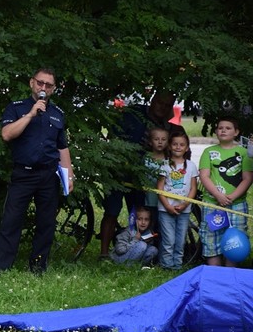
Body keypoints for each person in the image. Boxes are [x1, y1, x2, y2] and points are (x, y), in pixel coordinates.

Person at [0, 68, 74, 274]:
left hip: (48, 175)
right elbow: (7, 135)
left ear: (53, 89)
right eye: (40, 83)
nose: (43, 88)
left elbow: (62, 146)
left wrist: (69, 174)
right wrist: (30, 114)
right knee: (11, 220)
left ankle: (38, 267)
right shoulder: (16, 108)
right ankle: (0, 267)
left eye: (48, 85)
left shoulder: (57, 114)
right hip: (23, 174)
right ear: (31, 83)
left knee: (46, 223)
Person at [99, 91, 176, 258]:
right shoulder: (132, 113)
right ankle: (104, 254)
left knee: (142, 214)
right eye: (160, 102)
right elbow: (112, 133)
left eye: (167, 105)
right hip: (118, 171)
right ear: (153, 100)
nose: (162, 107)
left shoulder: (168, 127)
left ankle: (138, 252)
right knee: (111, 211)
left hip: (142, 177)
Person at [199, 116, 253, 267]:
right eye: (220, 128)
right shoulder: (208, 152)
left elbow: (248, 178)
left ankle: (230, 274)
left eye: (228, 128)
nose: (223, 130)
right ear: (216, 131)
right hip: (212, 204)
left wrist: (231, 197)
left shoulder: (243, 153)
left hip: (237, 205)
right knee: (211, 239)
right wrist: (218, 196)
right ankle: (214, 273)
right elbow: (204, 176)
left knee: (234, 240)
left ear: (236, 132)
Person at [157, 131, 198, 270]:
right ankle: (166, 267)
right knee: (169, 240)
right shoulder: (165, 165)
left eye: (182, 145)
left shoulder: (191, 166)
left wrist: (185, 204)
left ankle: (177, 266)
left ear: (187, 148)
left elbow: (193, 188)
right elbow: (160, 189)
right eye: (175, 144)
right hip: (165, 210)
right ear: (169, 146)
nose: (178, 147)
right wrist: (168, 206)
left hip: (184, 210)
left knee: (180, 241)